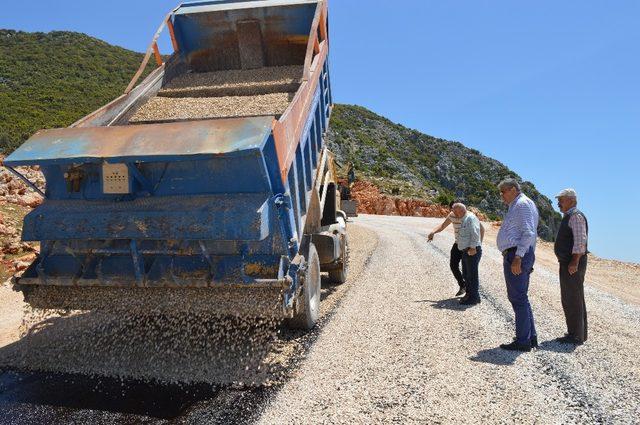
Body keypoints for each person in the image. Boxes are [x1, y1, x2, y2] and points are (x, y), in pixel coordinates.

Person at [496, 178, 539, 352]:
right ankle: (530, 336)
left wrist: (519, 257)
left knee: (518, 298)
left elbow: (528, 233)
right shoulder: (519, 204)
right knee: (521, 296)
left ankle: (523, 341)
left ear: (513, 189)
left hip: (517, 254)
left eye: (503, 191)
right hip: (518, 254)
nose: (501, 196)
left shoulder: (521, 204)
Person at [554, 188, 588, 345]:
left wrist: (574, 261)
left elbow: (580, 242)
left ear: (571, 200)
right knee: (570, 297)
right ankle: (576, 333)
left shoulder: (575, 216)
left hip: (572, 264)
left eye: (561, 199)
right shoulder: (569, 216)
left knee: (573, 297)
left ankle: (576, 336)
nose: (558, 203)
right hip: (568, 263)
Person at [428, 201, 485, 297]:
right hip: (458, 243)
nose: (455, 214)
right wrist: (433, 232)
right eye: (453, 211)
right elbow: (442, 226)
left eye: (457, 211)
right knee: (453, 265)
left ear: (461, 210)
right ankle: (462, 285)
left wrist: (478, 245)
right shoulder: (452, 215)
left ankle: (471, 292)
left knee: (467, 269)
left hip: (467, 246)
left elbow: (481, 229)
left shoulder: (470, 216)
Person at [455, 203, 483, 305]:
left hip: (472, 251)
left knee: (472, 275)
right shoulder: (465, 219)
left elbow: (475, 233)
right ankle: (471, 295)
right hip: (466, 251)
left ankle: (473, 298)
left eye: (455, 211)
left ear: (460, 210)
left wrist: (473, 247)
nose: (454, 213)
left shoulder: (470, 218)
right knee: (466, 274)